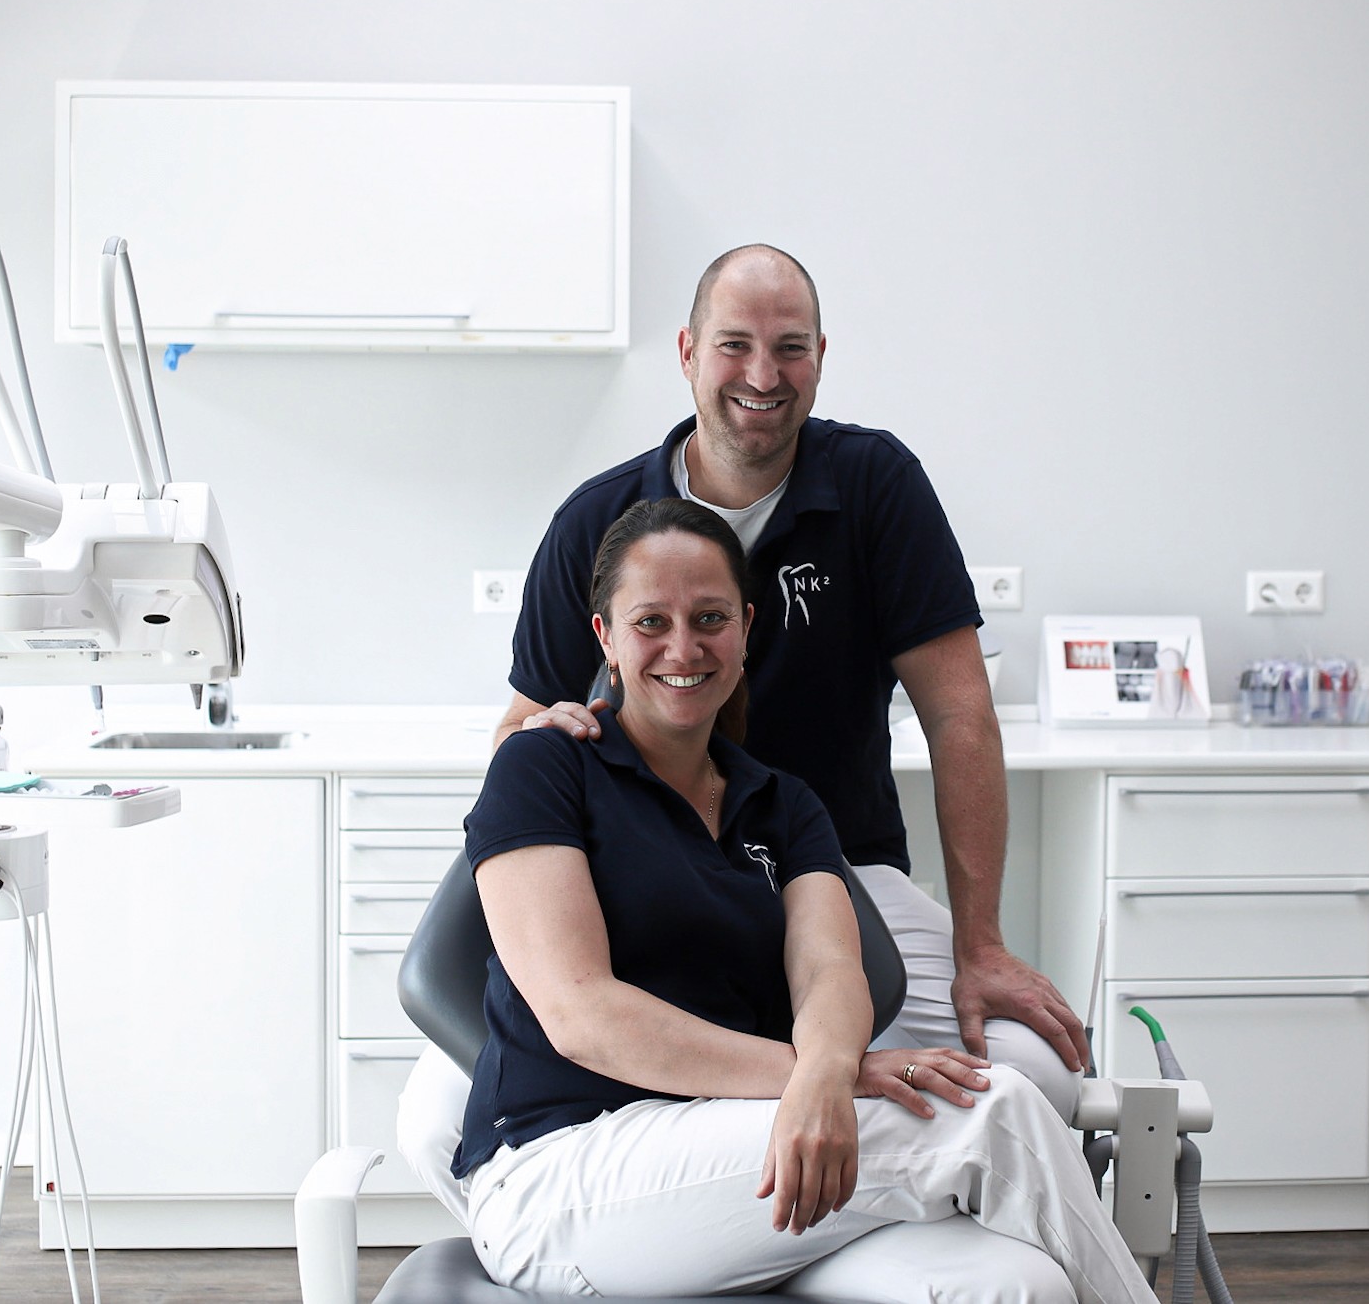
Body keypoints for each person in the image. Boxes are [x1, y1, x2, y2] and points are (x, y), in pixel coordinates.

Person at [401, 242, 1088, 1217]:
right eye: (734, 346)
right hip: (642, 887)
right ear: (687, 352)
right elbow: (521, 726)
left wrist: (981, 944)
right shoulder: (597, 520)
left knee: (1033, 1076)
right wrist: (540, 733)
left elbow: (959, 716)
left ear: (818, 356)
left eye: (788, 348)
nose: (761, 376)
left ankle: (808, 1237)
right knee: (435, 1124)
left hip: (836, 874)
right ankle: (651, 1240)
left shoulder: (873, 487)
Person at [456, 499, 1150, 1303]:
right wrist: (817, 1077)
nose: (684, 646)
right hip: (565, 1171)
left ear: (747, 629)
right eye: (652, 620)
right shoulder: (545, 766)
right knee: (997, 1112)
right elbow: (581, 1014)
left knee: (1016, 1284)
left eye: (710, 617)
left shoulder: (782, 804)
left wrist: (826, 1071)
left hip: (747, 1152)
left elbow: (828, 970)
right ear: (606, 637)